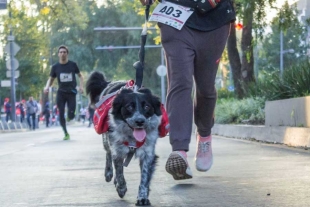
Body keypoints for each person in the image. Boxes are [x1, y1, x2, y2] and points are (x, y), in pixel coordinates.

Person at [139, 0, 236, 180]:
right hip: (175, 15)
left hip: (215, 18)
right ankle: (179, 151)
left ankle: (204, 135)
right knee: (180, 82)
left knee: (206, 87)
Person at [44, 45, 84, 140]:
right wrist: (47, 87)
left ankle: (70, 116)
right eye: (61, 52)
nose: (62, 54)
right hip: (61, 93)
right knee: (61, 113)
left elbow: (81, 76)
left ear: (67, 54)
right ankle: (66, 133)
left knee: (71, 114)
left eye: (64, 52)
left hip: (71, 92)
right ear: (58, 54)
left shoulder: (73, 65)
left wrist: (81, 87)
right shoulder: (55, 67)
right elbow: (51, 79)